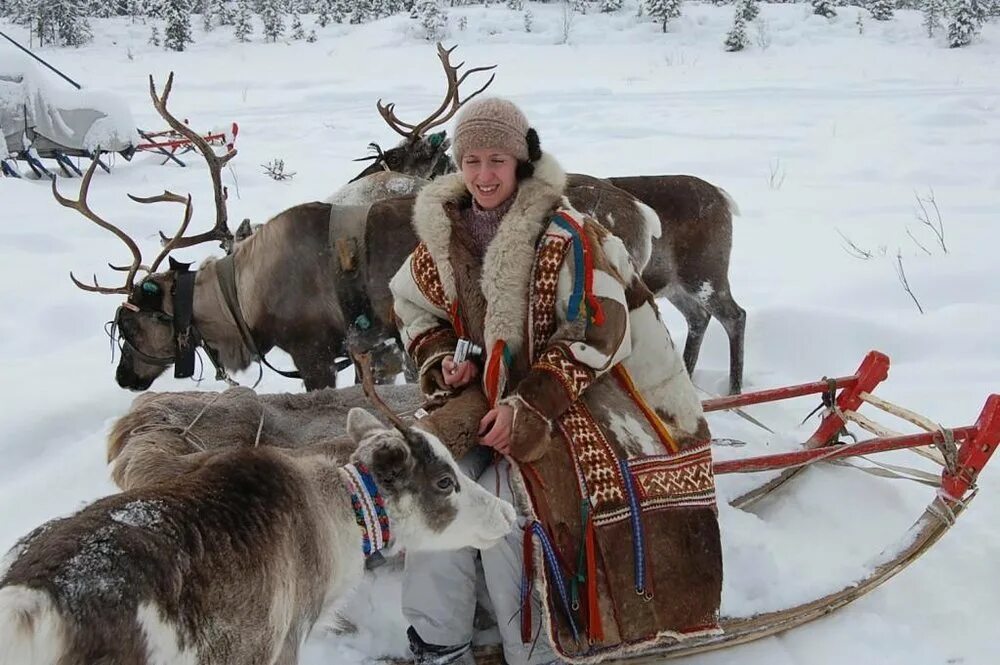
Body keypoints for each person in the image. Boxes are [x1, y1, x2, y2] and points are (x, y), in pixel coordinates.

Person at [389, 98, 723, 665]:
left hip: (580, 388)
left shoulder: (567, 234)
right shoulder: (444, 236)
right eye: (471, 160)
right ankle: (437, 639)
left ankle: (535, 646)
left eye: (497, 159)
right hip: (485, 392)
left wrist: (530, 405)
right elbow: (421, 314)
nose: (484, 175)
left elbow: (602, 328)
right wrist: (449, 358)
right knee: (432, 478)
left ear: (522, 160)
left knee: (508, 496)